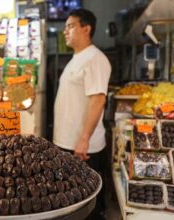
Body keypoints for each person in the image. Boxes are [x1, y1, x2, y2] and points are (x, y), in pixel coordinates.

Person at [53, 8, 111, 219]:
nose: (65, 31)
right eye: (65, 27)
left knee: (88, 207)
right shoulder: (76, 59)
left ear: (86, 28)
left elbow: (98, 99)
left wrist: (84, 139)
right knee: (73, 203)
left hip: (83, 148)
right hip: (68, 143)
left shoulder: (94, 58)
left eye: (70, 26)